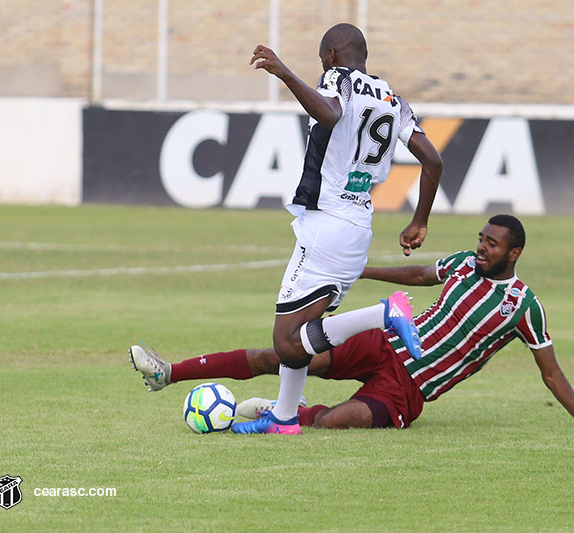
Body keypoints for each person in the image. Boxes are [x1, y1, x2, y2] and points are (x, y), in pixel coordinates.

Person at [130, 23, 443, 435]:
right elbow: (433, 160)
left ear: (331, 55)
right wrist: (419, 220)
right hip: (357, 227)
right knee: (299, 340)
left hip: (326, 223)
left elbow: (330, 113)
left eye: (320, 62)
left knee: (286, 342)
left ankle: (383, 313)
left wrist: (285, 73)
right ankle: (284, 419)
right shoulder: (392, 99)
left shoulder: (341, 78)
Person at [129, 215, 574, 430]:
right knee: (282, 354)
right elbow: (418, 273)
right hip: (383, 345)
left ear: (513, 253)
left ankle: (280, 415)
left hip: (409, 390)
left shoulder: (523, 305)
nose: (481, 247)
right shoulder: (461, 264)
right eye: (480, 239)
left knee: (336, 422)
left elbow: (551, 372)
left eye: (492, 244)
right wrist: (361, 271)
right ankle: (170, 372)